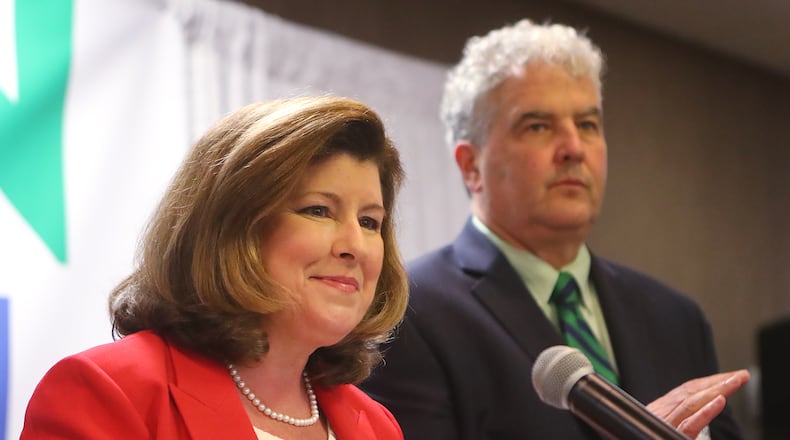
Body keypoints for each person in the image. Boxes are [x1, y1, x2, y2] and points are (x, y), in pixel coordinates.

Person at [361, 19, 749, 439]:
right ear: (471, 165)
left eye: (587, 124)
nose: (573, 149)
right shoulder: (407, 311)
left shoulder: (676, 317)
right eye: (539, 126)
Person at [21, 96, 409, 440]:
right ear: (232, 229)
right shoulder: (108, 393)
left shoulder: (376, 426)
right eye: (318, 210)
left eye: (369, 222)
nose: (355, 246)